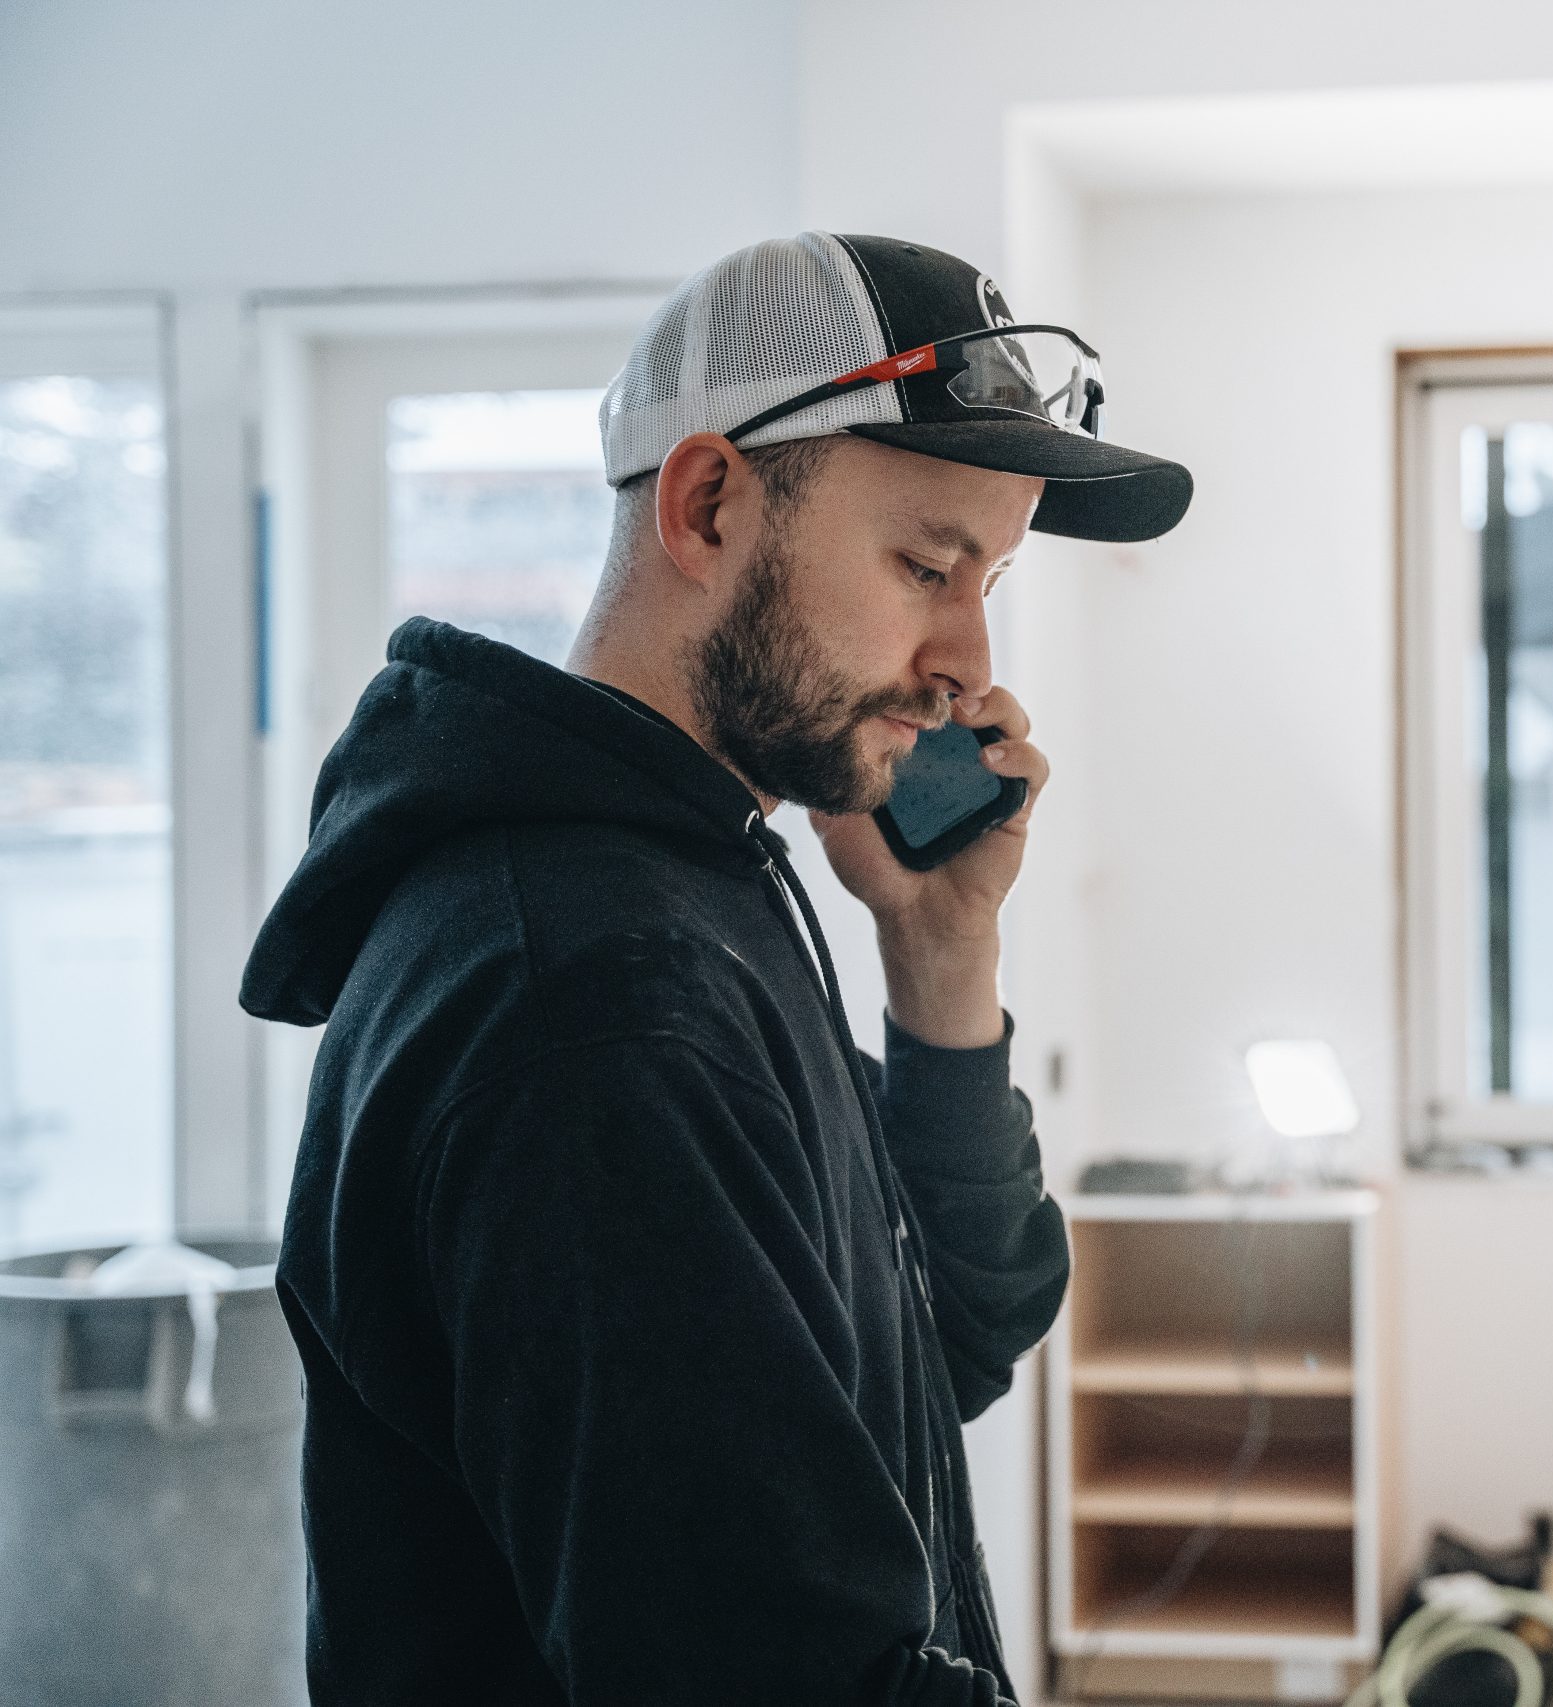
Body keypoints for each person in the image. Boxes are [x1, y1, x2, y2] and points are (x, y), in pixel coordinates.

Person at [240, 233, 1193, 1705]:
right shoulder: (592, 1005)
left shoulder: (698, 881)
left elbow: (943, 1338)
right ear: (705, 504)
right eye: (927, 565)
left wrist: (941, 957)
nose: (967, 656)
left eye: (991, 577)